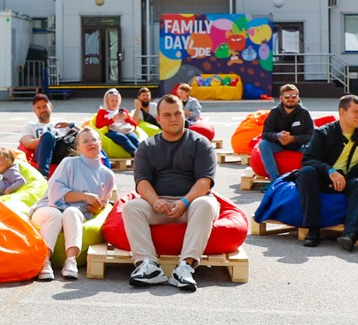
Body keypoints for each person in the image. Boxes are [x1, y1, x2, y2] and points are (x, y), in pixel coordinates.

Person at [122, 95, 218, 290]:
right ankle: (148, 266)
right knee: (131, 208)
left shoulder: (201, 143)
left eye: (177, 114)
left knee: (206, 204)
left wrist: (185, 202)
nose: (173, 119)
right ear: (158, 119)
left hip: (192, 203)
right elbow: (142, 183)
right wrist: (155, 201)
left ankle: (185, 267)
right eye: (167, 115)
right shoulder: (147, 147)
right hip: (160, 204)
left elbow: (204, 182)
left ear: (184, 115)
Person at [30, 126, 113, 281]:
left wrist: (96, 207)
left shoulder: (107, 174)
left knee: (72, 212)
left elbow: (104, 204)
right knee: (55, 215)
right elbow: (54, 193)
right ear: (78, 148)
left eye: (94, 139)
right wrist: (85, 196)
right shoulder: (69, 162)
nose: (91, 143)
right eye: (85, 141)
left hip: (77, 214)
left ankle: (71, 260)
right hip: (48, 207)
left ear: (100, 144)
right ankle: (44, 260)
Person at [295, 95, 358, 249]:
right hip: (323, 178)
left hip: (347, 180)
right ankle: (312, 230)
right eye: (355, 112)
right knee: (306, 172)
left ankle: (351, 234)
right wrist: (329, 171)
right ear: (342, 112)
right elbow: (307, 159)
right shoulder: (323, 133)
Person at [253, 83, 315, 182]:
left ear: (298, 98)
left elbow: (311, 135)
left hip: (299, 145)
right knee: (263, 144)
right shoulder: (274, 112)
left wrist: (293, 139)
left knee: (312, 146)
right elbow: (265, 134)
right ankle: (275, 180)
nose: (290, 99)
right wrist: (278, 136)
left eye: (294, 96)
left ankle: (304, 178)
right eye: (287, 97)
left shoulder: (304, 113)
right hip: (279, 145)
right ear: (281, 98)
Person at [17, 92, 73, 176]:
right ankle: (43, 173)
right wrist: (43, 139)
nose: (42, 110)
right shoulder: (30, 126)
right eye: (38, 107)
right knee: (49, 135)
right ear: (34, 110)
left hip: (61, 151)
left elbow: (84, 135)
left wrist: (72, 125)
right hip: (42, 154)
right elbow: (27, 143)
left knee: (74, 137)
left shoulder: (61, 123)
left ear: (51, 107)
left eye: (44, 106)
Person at [94, 88, 142, 157]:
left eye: (116, 100)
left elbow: (134, 123)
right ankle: (136, 153)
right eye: (112, 100)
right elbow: (98, 125)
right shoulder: (102, 112)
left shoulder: (122, 111)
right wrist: (112, 120)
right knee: (122, 137)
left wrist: (126, 118)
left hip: (125, 129)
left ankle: (143, 154)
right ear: (107, 101)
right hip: (111, 131)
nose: (114, 103)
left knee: (134, 138)